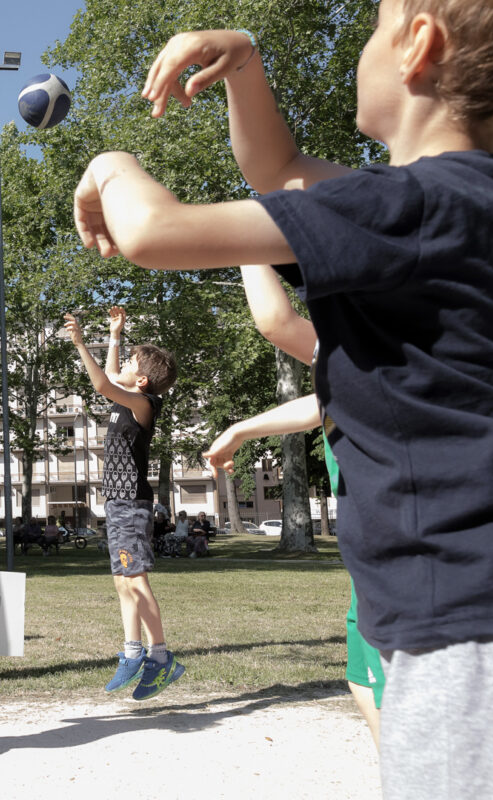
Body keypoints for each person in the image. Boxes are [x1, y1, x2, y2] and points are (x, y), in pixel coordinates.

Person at [74, 8, 493, 788]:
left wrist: (109, 164)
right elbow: (281, 167)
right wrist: (245, 66)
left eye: (373, 25)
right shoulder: (460, 205)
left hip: (465, 630)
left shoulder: (401, 206)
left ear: (419, 44)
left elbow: (151, 230)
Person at [203, 263, 385, 747]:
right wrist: (243, 429)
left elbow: (275, 323)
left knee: (396, 698)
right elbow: (325, 397)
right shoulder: (358, 358)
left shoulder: (387, 340)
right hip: (369, 557)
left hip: (397, 554)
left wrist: (253, 229)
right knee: (363, 682)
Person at [63, 306, 182, 700]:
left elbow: (102, 384)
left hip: (132, 503)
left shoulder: (144, 405)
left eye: (132, 361)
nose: (124, 365)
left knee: (136, 580)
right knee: (122, 582)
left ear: (143, 379)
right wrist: (115, 336)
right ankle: (133, 653)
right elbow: (112, 377)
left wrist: (81, 344)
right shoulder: (128, 395)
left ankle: (161, 657)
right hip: (118, 502)